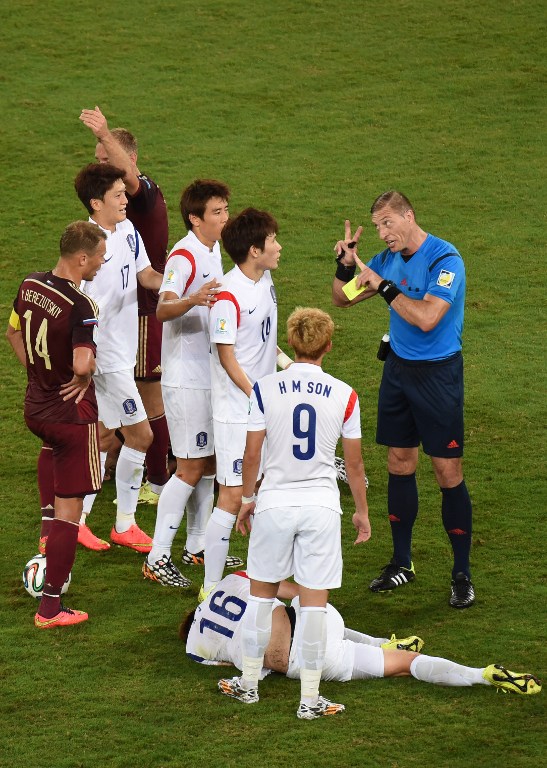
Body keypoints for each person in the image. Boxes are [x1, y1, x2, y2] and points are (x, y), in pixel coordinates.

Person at [218, 307, 371, 719]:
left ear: (292, 342)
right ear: (328, 346)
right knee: (315, 604)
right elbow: (353, 465)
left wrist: (247, 497)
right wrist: (361, 511)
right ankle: (309, 700)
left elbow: (252, 452)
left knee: (262, 598)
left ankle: (248, 684)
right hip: (321, 506)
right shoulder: (346, 394)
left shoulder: (265, 389)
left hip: (275, 504)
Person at [332, 191, 474, 609]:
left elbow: (429, 318)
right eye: (377, 226)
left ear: (409, 216)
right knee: (399, 462)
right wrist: (345, 265)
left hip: (438, 376)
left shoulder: (444, 260)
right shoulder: (385, 260)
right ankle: (401, 561)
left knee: (447, 472)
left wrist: (386, 286)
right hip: (398, 372)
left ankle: (461, 572)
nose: (383, 232)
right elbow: (344, 298)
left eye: (388, 223)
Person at [182, 573, 542, 697]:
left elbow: (227, 662)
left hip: (302, 663)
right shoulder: (227, 584)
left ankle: (481, 675)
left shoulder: (195, 647)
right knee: (314, 614)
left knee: (403, 665)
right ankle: (479, 674)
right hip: (314, 622)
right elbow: (285, 589)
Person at [6, 221, 107, 627]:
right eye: (99, 256)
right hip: (71, 417)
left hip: (37, 408)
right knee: (72, 512)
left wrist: (39, 375)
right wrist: (85, 372)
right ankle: (50, 608)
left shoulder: (31, 284)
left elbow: (13, 332)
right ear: (82, 259)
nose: (102, 263)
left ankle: (47, 536)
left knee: (50, 454)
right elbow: (83, 362)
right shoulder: (82, 306)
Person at [143, 179, 242, 588]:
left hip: (208, 375)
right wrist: (193, 298)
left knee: (208, 465)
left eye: (225, 209)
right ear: (195, 218)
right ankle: (157, 556)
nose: (225, 217)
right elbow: (163, 309)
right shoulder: (184, 256)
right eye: (216, 212)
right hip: (186, 380)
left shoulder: (213, 247)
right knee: (188, 468)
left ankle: (198, 545)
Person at [79, 106, 170, 530]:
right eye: (117, 196)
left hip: (121, 349)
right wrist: (84, 356)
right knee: (140, 434)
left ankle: (75, 522)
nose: (124, 199)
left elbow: (148, 275)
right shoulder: (89, 244)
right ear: (97, 203)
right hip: (105, 358)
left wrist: (185, 285)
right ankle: (123, 523)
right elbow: (80, 305)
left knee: (101, 435)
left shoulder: (129, 231)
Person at [202, 208, 283, 602]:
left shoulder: (265, 280)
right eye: (272, 241)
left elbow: (264, 340)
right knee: (233, 497)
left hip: (262, 403)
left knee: (261, 489)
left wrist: (288, 365)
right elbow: (227, 356)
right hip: (238, 411)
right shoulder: (227, 296)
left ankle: (256, 578)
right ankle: (210, 588)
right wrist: (257, 393)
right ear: (254, 250)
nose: (279, 247)